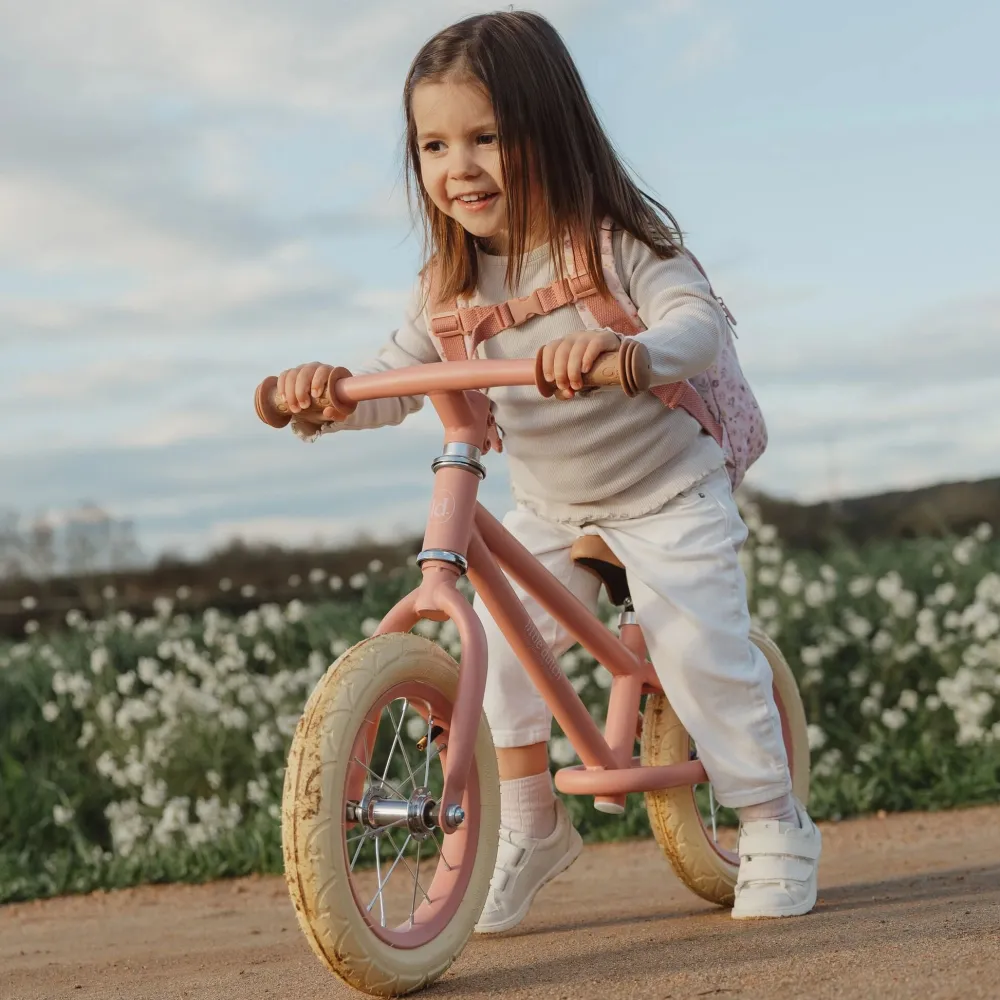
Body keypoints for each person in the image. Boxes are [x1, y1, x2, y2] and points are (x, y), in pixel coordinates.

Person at [276, 11, 822, 932]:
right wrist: (329, 396)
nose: (459, 167)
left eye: (487, 137)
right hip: (554, 506)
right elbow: (395, 380)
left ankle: (774, 821)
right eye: (435, 145)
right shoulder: (447, 287)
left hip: (666, 491)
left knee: (700, 651)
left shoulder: (614, 244)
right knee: (495, 655)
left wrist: (627, 351)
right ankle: (530, 826)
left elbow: (696, 323)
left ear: (551, 130)